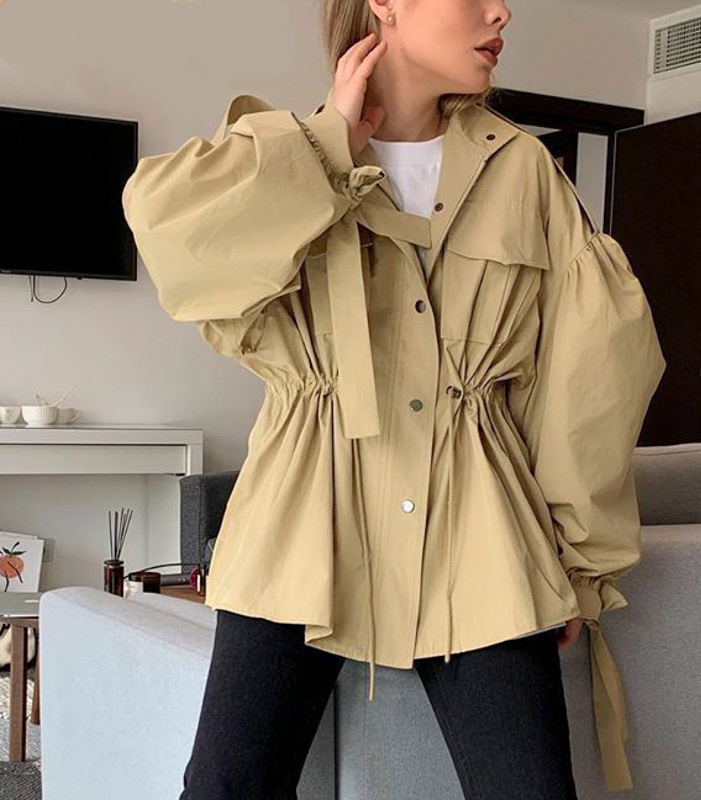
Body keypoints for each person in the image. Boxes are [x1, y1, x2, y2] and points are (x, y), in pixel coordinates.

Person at [121, 0, 667, 797]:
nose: (501, 12)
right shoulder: (281, 153)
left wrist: (578, 561)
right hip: (299, 522)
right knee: (225, 788)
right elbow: (172, 238)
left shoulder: (523, 171)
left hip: (481, 532)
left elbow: (589, 377)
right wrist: (323, 145)